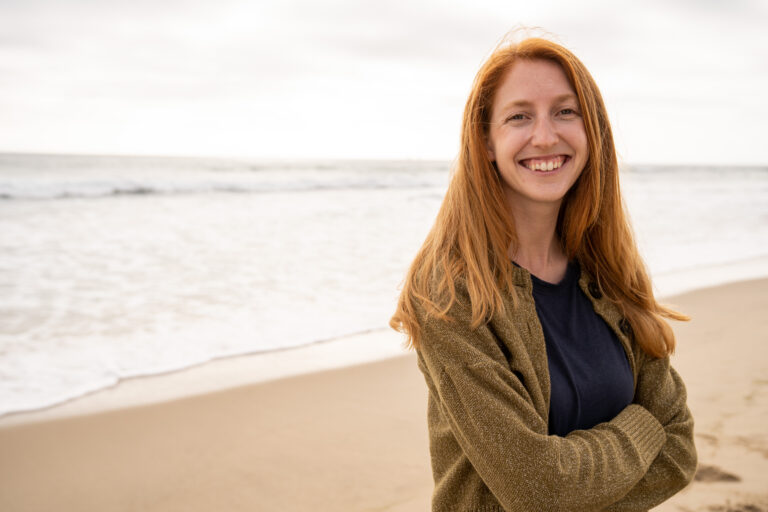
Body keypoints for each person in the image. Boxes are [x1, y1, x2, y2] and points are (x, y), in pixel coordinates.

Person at [390, 35, 697, 511]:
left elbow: (678, 451)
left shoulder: (608, 272)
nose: (545, 136)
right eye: (519, 116)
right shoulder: (449, 293)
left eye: (565, 111)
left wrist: (570, 481)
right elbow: (538, 490)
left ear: (592, 131)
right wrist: (642, 425)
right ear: (486, 142)